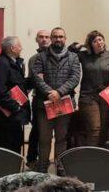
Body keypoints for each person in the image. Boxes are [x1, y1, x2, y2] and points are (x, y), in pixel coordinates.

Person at [31, 27, 81, 174]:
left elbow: (75, 78)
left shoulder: (73, 57)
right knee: (44, 138)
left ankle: (60, 166)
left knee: (61, 137)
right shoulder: (41, 57)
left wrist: (59, 92)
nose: (58, 39)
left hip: (64, 103)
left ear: (65, 39)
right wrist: (49, 92)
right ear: (51, 39)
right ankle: (42, 166)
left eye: (61, 37)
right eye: (55, 36)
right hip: (44, 104)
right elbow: (36, 78)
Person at [0, 36, 29, 154]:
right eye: (19, 46)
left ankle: (15, 170)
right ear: (12, 48)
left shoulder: (14, 62)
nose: (21, 48)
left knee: (16, 145)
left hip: (13, 116)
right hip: (6, 116)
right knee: (8, 148)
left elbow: (17, 84)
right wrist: (15, 107)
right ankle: (9, 172)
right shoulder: (1, 64)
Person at [74, 31, 109, 148]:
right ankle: (90, 159)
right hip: (88, 97)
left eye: (101, 39)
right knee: (95, 128)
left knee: (103, 129)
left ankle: (99, 157)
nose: (99, 43)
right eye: (95, 41)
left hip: (105, 96)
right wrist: (82, 45)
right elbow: (69, 53)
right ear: (90, 44)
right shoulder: (84, 55)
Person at [26, 30, 50, 168]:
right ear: (36, 39)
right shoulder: (33, 59)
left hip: (57, 98)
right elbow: (31, 81)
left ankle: (48, 161)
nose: (44, 39)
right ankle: (32, 159)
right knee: (37, 130)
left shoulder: (58, 56)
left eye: (47, 37)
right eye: (41, 37)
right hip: (39, 99)